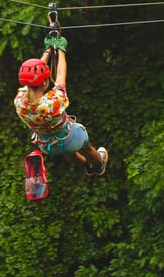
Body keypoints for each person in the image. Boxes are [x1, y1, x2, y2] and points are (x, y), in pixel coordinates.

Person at [14, 35, 108, 176]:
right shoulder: (52, 103)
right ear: (45, 83)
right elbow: (60, 77)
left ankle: (85, 165)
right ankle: (97, 164)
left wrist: (48, 51)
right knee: (86, 148)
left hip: (47, 145)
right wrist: (61, 50)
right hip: (69, 137)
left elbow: (35, 77)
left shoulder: (19, 101)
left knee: (68, 152)